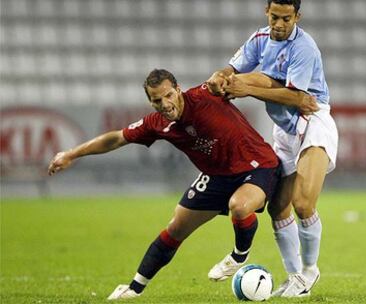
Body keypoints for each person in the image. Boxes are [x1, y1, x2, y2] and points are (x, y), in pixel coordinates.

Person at [48, 68, 297, 300]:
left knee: (240, 206)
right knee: (176, 227)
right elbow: (116, 139)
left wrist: (225, 76)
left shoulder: (206, 94)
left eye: (168, 95)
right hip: (217, 176)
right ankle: (134, 289)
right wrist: (71, 154)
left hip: (258, 164)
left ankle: (239, 255)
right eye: (157, 101)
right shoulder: (156, 123)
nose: (165, 104)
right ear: (151, 103)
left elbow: (233, 78)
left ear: (178, 89)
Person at [207, 0, 339, 298]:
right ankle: (295, 279)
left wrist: (247, 89)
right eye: (275, 17)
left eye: (286, 19)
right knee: (278, 207)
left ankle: (309, 271)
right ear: (267, 12)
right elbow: (232, 68)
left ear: (297, 17)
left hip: (312, 122)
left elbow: (298, 98)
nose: (279, 24)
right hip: (284, 130)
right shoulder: (260, 38)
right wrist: (220, 77)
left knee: (303, 203)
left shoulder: (304, 47)